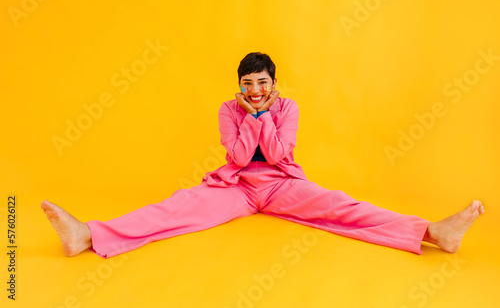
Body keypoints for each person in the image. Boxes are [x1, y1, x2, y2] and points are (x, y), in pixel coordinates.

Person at [41, 52, 485, 259]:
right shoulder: (226, 109)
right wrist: (252, 117)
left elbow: (277, 152)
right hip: (235, 185)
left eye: (262, 83)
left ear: (274, 83)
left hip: (281, 184)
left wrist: (262, 117)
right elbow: (236, 156)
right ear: (240, 85)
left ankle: (434, 233)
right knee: (175, 207)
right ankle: (88, 235)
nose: (255, 90)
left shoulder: (288, 108)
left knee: (343, 206)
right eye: (247, 84)